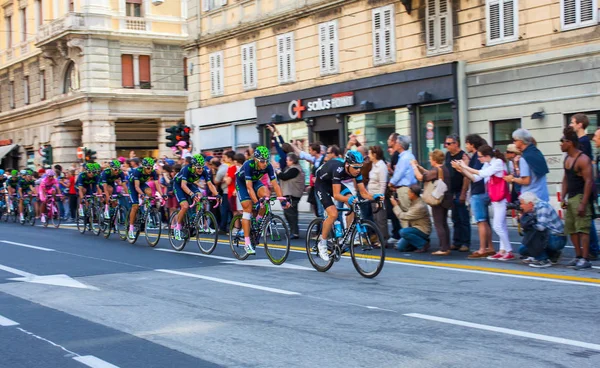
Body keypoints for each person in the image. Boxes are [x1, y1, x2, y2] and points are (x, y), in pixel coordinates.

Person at [313, 150, 382, 261]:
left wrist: (375, 197)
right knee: (333, 214)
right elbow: (336, 195)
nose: (358, 170)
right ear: (347, 164)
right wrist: (347, 199)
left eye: (360, 167)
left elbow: (363, 193)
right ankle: (322, 243)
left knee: (354, 203)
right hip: (321, 184)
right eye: (355, 167)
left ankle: (347, 236)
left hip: (334, 183)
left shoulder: (357, 172)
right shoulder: (338, 169)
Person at [456, 145, 513, 260]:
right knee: (501, 225)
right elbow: (476, 178)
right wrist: (462, 169)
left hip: (501, 197)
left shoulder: (497, 162)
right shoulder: (489, 163)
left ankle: (509, 250)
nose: (479, 159)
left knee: (497, 225)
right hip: (496, 198)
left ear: (487, 156)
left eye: (480, 157)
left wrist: (464, 166)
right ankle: (503, 250)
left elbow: (482, 174)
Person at [235, 146, 290, 255]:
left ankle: (257, 221)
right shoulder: (248, 165)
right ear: (256, 159)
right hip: (243, 183)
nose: (264, 164)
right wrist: (256, 202)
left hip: (255, 182)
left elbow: (276, 184)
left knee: (266, 197)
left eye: (266, 161)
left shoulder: (268, 166)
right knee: (248, 207)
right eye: (262, 161)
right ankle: (247, 243)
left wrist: (282, 200)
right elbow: (249, 188)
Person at [560, 127, 594, 270]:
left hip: (580, 197)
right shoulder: (567, 158)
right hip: (571, 197)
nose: (561, 144)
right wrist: (563, 197)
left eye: (562, 141)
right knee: (572, 229)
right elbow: (566, 179)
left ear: (570, 142)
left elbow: (589, 181)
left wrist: (583, 203)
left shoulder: (583, 159)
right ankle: (578, 256)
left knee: (583, 229)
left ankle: (585, 258)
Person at [458, 134, 495, 258]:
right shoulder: (479, 157)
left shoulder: (476, 157)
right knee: (485, 221)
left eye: (467, 143)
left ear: (472, 144)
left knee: (481, 221)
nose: (466, 146)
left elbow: (474, 177)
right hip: (485, 191)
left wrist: (463, 167)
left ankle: (482, 249)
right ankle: (490, 247)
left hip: (478, 192)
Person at [413, 149, 453, 255]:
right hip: (446, 198)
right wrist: (420, 168)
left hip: (438, 199)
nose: (430, 160)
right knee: (444, 223)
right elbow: (429, 174)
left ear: (435, 160)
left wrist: (414, 166)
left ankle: (443, 249)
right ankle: (446, 246)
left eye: (431, 159)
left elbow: (421, 177)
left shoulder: (436, 170)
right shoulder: (443, 168)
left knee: (439, 224)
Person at [172, 154, 220, 241]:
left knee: (200, 195)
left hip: (189, 184)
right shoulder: (187, 169)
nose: (200, 170)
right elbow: (183, 185)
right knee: (185, 206)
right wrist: (191, 194)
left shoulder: (204, 170)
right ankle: (177, 228)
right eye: (198, 168)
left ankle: (195, 219)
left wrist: (216, 194)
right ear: (193, 166)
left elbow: (210, 184)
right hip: (179, 185)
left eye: (202, 167)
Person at [517, 192, 567, 268]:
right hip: (549, 237)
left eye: (522, 204)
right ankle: (553, 254)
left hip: (557, 238)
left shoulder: (542, 207)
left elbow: (541, 227)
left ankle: (543, 260)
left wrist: (526, 221)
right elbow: (524, 231)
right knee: (522, 250)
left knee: (532, 235)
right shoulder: (531, 209)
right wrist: (523, 219)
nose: (521, 206)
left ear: (530, 203)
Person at [505, 128, 549, 201]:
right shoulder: (537, 153)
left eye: (515, 140)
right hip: (542, 196)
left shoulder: (524, 158)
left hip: (530, 200)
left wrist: (512, 179)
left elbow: (526, 181)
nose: (514, 142)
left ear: (521, 141)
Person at [444, 133, 470, 252]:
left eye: (449, 143)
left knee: (463, 217)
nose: (446, 146)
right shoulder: (448, 155)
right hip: (451, 190)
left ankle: (465, 242)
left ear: (456, 144)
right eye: (446, 143)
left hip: (460, 190)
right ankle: (457, 241)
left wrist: (464, 192)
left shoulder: (463, 156)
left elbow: (466, 176)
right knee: (455, 217)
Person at [127, 158, 163, 239]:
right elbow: (136, 186)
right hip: (133, 186)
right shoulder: (137, 171)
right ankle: (131, 229)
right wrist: (142, 194)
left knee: (150, 192)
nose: (150, 170)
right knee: (135, 206)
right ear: (143, 167)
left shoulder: (153, 172)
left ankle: (146, 210)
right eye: (148, 168)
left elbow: (157, 184)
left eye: (151, 168)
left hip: (142, 184)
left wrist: (162, 195)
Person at [390, 184, 432, 252]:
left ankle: (423, 244)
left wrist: (395, 206)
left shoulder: (419, 206)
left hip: (422, 229)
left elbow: (404, 216)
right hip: (414, 228)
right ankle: (418, 242)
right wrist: (399, 204)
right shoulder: (415, 201)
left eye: (408, 193)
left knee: (403, 232)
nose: (407, 194)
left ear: (413, 194)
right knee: (400, 247)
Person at [276, 153, 306, 239]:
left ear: (292, 161)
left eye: (287, 160)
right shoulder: (291, 168)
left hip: (292, 194)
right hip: (290, 193)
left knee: (290, 213)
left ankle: (295, 232)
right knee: (289, 212)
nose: (286, 162)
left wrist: (278, 171)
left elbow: (284, 176)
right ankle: (293, 231)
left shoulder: (295, 169)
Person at [388, 135, 417, 212]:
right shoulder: (410, 155)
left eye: (397, 142)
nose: (395, 144)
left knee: (406, 214)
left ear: (400, 145)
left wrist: (391, 183)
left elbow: (399, 174)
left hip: (404, 189)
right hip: (410, 188)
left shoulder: (404, 158)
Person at [367, 146, 389, 244]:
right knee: (376, 218)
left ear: (375, 155)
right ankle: (380, 238)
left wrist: (380, 199)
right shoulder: (373, 165)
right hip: (372, 196)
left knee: (381, 219)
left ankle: (383, 240)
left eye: (370, 153)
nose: (368, 155)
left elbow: (383, 184)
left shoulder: (381, 166)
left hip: (378, 196)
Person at [215, 151, 234, 234]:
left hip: (228, 191)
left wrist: (224, 179)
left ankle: (224, 227)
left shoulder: (227, 167)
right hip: (231, 191)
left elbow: (218, 180)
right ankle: (232, 226)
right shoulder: (232, 166)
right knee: (232, 210)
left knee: (225, 210)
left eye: (225, 157)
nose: (223, 158)